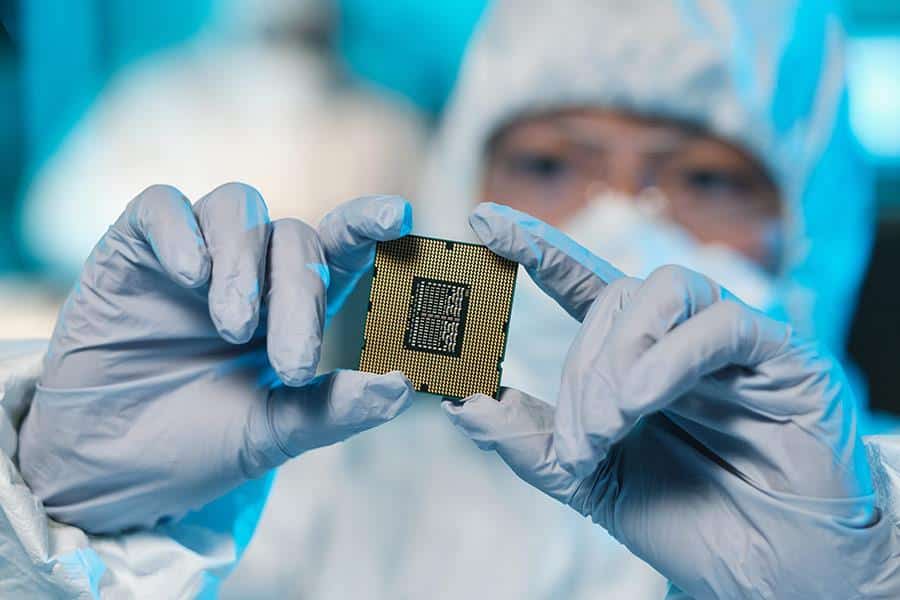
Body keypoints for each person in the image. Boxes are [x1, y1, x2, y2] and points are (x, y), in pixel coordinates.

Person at [1, 2, 898, 600]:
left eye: (704, 177)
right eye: (549, 164)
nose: (618, 224)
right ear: (455, 192)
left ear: (821, 224)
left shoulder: (868, 525)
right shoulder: (310, 500)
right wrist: (65, 527)